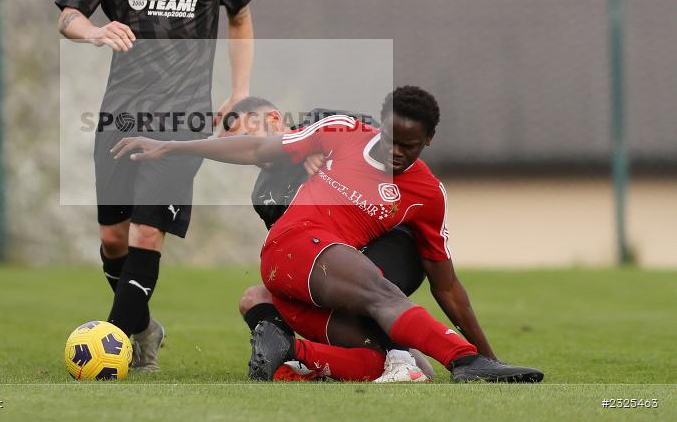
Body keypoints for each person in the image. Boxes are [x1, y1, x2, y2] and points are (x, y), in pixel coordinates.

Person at [112, 86, 544, 382]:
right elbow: (253, 148)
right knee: (384, 296)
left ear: (429, 140)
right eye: (391, 136)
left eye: (408, 145)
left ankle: (294, 358)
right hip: (300, 244)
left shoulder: (428, 193)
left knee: (394, 358)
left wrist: (492, 355)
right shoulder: (341, 135)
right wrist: (171, 145)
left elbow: (447, 286)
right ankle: (462, 361)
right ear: (381, 123)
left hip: (309, 283)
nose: (395, 150)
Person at [55, 0, 255, 372]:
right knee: (113, 238)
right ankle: (144, 326)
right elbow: (69, 16)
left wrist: (239, 91)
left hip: (184, 122)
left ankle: (116, 346)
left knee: (148, 233)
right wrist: (95, 31)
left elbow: (240, 20)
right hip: (120, 117)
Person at [225, 97, 434, 382]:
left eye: (248, 138)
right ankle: (284, 356)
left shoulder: (325, 121)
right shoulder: (264, 194)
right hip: (329, 272)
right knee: (254, 299)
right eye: (237, 146)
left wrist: (322, 150)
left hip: (385, 250)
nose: (248, 151)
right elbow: (292, 255)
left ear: (274, 119)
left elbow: (377, 144)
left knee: (360, 282)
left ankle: (398, 357)